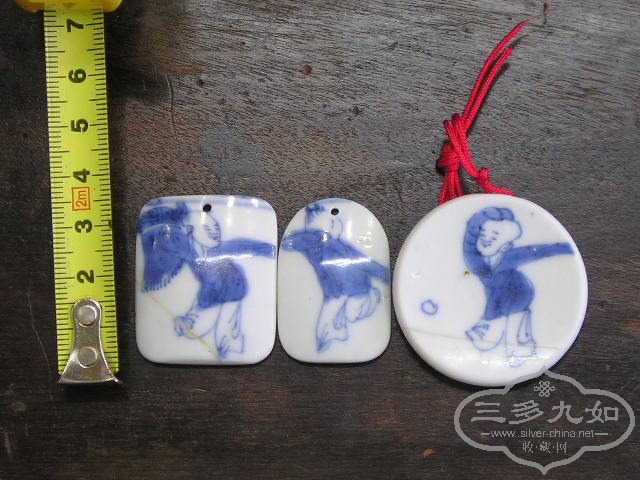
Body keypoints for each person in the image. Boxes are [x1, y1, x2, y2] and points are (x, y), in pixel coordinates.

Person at [138, 200, 275, 358]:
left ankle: (229, 343)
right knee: (219, 339)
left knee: (224, 339)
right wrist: (192, 315)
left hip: (229, 291)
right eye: (209, 229)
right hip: (222, 294)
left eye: (214, 229)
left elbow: (240, 249)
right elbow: (207, 283)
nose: (215, 232)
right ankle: (227, 344)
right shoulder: (193, 255)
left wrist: (192, 314)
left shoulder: (207, 254)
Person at [463, 207, 573, 364]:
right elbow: (469, 240)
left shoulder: (510, 257)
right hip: (498, 302)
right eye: (483, 234)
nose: (486, 239)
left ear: (505, 246)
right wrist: (484, 215)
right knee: (490, 331)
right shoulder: (475, 261)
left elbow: (539, 251)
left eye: (494, 237)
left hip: (518, 294)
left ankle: (518, 345)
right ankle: (513, 342)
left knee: (503, 328)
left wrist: (566, 248)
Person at [282, 202, 389, 352]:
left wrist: (385, 276)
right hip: (334, 291)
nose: (338, 225)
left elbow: (366, 263)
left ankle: (371, 297)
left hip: (356, 289)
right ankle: (328, 339)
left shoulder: (341, 247)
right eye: (333, 223)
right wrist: (315, 236)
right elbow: (288, 243)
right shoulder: (314, 244)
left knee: (350, 314)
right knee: (329, 319)